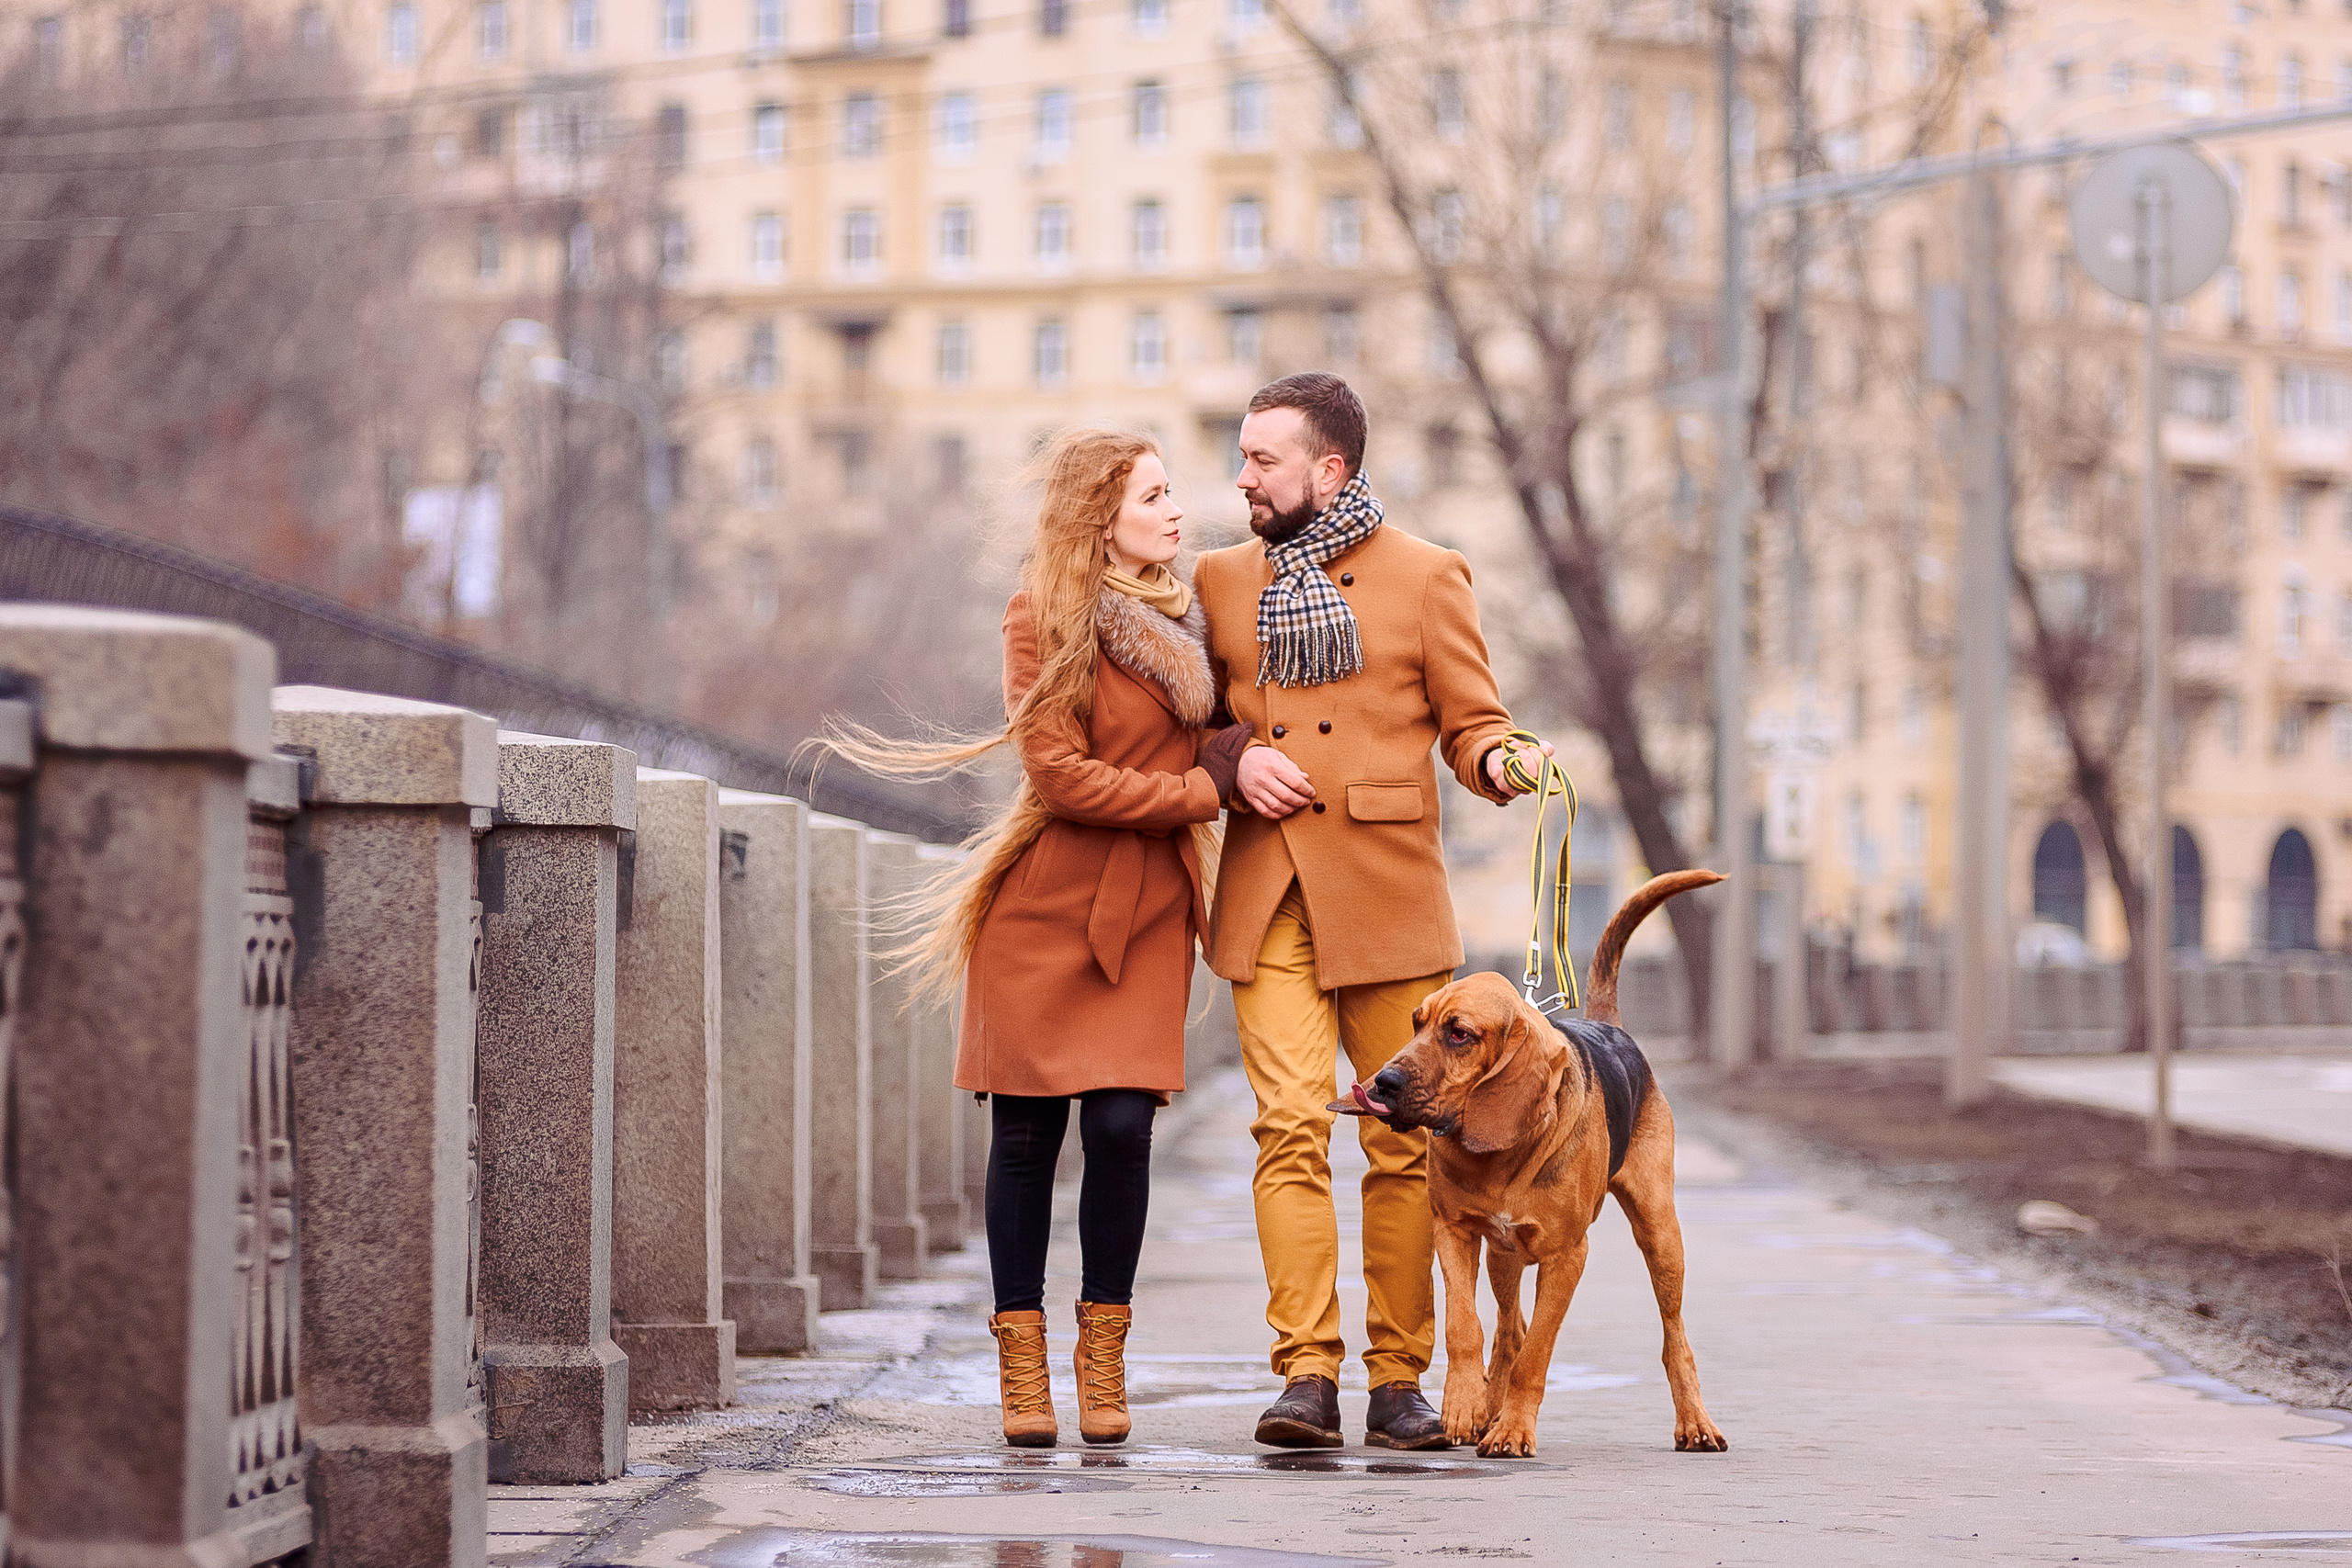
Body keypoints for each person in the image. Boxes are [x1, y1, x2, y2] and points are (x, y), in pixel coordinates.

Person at [820, 429, 1253, 1449]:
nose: (1176, 510)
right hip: (1044, 905)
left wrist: (1241, 756)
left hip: (1148, 910)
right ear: (1101, 519)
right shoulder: (1042, 614)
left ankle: (1102, 1359)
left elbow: (1231, 728)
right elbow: (1058, 775)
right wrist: (1200, 791)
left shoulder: (1196, 614)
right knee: (1024, 1138)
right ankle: (1022, 1369)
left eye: (1171, 492)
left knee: (1121, 1129)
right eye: (1153, 496)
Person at [1193, 373, 1547, 1450]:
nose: (1242, 477)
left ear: (1329, 468)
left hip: (1387, 891)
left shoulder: (1428, 576)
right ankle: (1305, 1375)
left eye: (1262, 459)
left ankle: (1399, 1383)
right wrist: (1234, 757)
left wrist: (1500, 760)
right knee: (1288, 1128)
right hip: (1269, 891)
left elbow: (1471, 720)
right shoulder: (1217, 580)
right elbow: (1186, 720)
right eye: (1242, 457)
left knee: (1401, 1141)